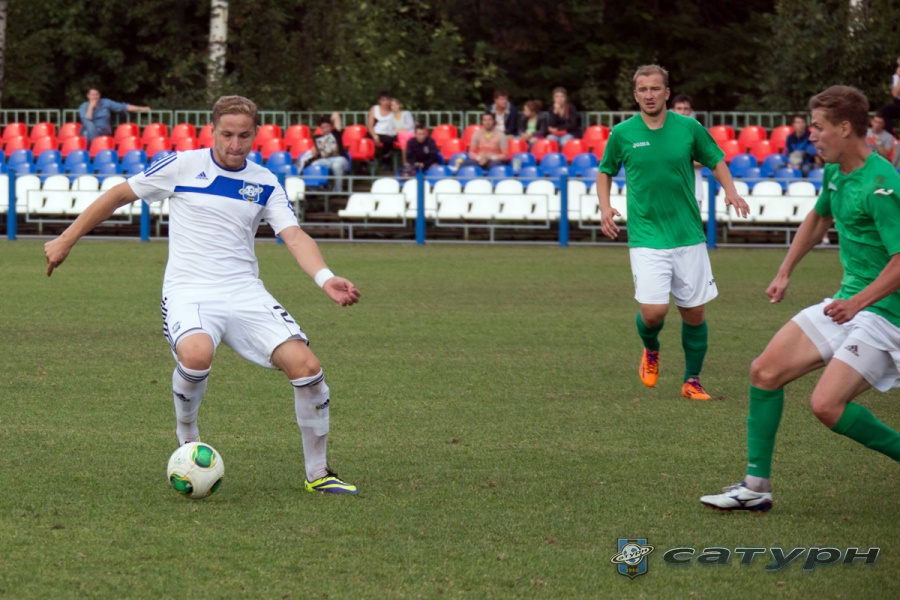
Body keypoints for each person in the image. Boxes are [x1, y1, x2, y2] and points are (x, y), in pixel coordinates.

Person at [44, 95, 361, 495]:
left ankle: (318, 473)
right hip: (189, 290)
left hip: (244, 292)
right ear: (212, 131)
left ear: (256, 134)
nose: (235, 144)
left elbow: (293, 235)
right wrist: (66, 239)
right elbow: (119, 194)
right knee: (196, 355)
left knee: (308, 368)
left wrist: (325, 278)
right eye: (226, 134)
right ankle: (187, 437)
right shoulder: (181, 165)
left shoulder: (265, 181)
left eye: (243, 135)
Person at [700, 85, 900, 512]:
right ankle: (755, 487)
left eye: (818, 127)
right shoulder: (836, 173)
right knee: (765, 371)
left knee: (826, 405)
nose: (811, 135)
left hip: (886, 314)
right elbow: (818, 218)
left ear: (844, 128)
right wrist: (785, 271)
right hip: (849, 303)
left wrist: (859, 303)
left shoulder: (882, 184)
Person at [596, 64, 750, 401]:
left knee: (694, 312)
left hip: (688, 234)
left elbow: (716, 160)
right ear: (635, 95)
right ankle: (651, 349)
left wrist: (731, 191)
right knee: (653, 313)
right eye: (643, 90)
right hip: (646, 235)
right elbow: (605, 170)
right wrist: (605, 206)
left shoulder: (689, 128)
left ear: (666, 92)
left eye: (655, 89)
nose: (649, 95)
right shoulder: (622, 133)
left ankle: (692, 380)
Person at [78, 87, 151, 145]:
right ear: (88, 96)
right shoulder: (83, 106)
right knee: (87, 124)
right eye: (92, 95)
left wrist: (142, 108)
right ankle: (95, 145)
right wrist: (90, 107)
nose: (94, 97)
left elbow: (123, 107)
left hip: (103, 130)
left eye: (96, 94)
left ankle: (93, 148)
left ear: (99, 95)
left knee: (86, 133)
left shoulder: (106, 102)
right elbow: (88, 118)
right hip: (88, 130)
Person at [671, 94, 706, 207]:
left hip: (693, 189)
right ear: (673, 110)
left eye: (686, 109)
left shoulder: (698, 131)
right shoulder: (663, 132)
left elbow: (705, 159)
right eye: (679, 108)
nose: (682, 112)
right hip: (670, 190)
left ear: (691, 111)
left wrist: (679, 160)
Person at [305, 112, 350, 192]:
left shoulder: (336, 133)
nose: (326, 129)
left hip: (339, 159)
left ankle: (337, 190)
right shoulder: (317, 138)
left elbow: (336, 115)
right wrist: (314, 147)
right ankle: (316, 188)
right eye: (323, 127)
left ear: (331, 126)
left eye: (327, 126)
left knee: (336, 165)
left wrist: (328, 120)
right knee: (314, 164)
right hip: (326, 160)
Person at [368, 91, 397, 172]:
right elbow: (370, 126)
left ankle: (385, 162)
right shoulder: (374, 109)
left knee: (389, 141)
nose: (385, 102)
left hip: (388, 133)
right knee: (366, 140)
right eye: (383, 100)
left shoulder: (394, 110)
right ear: (379, 101)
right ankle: (365, 163)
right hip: (376, 132)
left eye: (387, 100)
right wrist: (374, 136)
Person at [876, 57, 900, 136]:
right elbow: (894, 94)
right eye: (898, 66)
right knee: (884, 110)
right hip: (898, 103)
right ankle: (889, 136)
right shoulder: (896, 77)